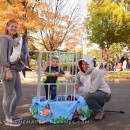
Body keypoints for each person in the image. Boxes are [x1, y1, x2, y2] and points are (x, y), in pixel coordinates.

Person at [74, 55, 111, 121]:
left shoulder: (95, 72)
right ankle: (97, 104)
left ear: (90, 64)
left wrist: (79, 88)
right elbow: (77, 80)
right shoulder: (80, 73)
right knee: (81, 97)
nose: (84, 66)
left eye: (87, 64)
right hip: (95, 93)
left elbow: (92, 89)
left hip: (105, 94)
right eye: (82, 64)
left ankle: (100, 111)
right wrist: (76, 83)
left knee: (87, 97)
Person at [0, 19, 23, 126]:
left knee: (19, 94)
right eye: (12, 26)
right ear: (7, 27)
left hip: (15, 71)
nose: (14, 28)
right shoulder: (3, 38)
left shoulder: (12, 39)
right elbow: (3, 56)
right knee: (8, 95)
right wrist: (7, 70)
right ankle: (8, 119)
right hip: (8, 70)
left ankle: (11, 114)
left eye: (15, 27)